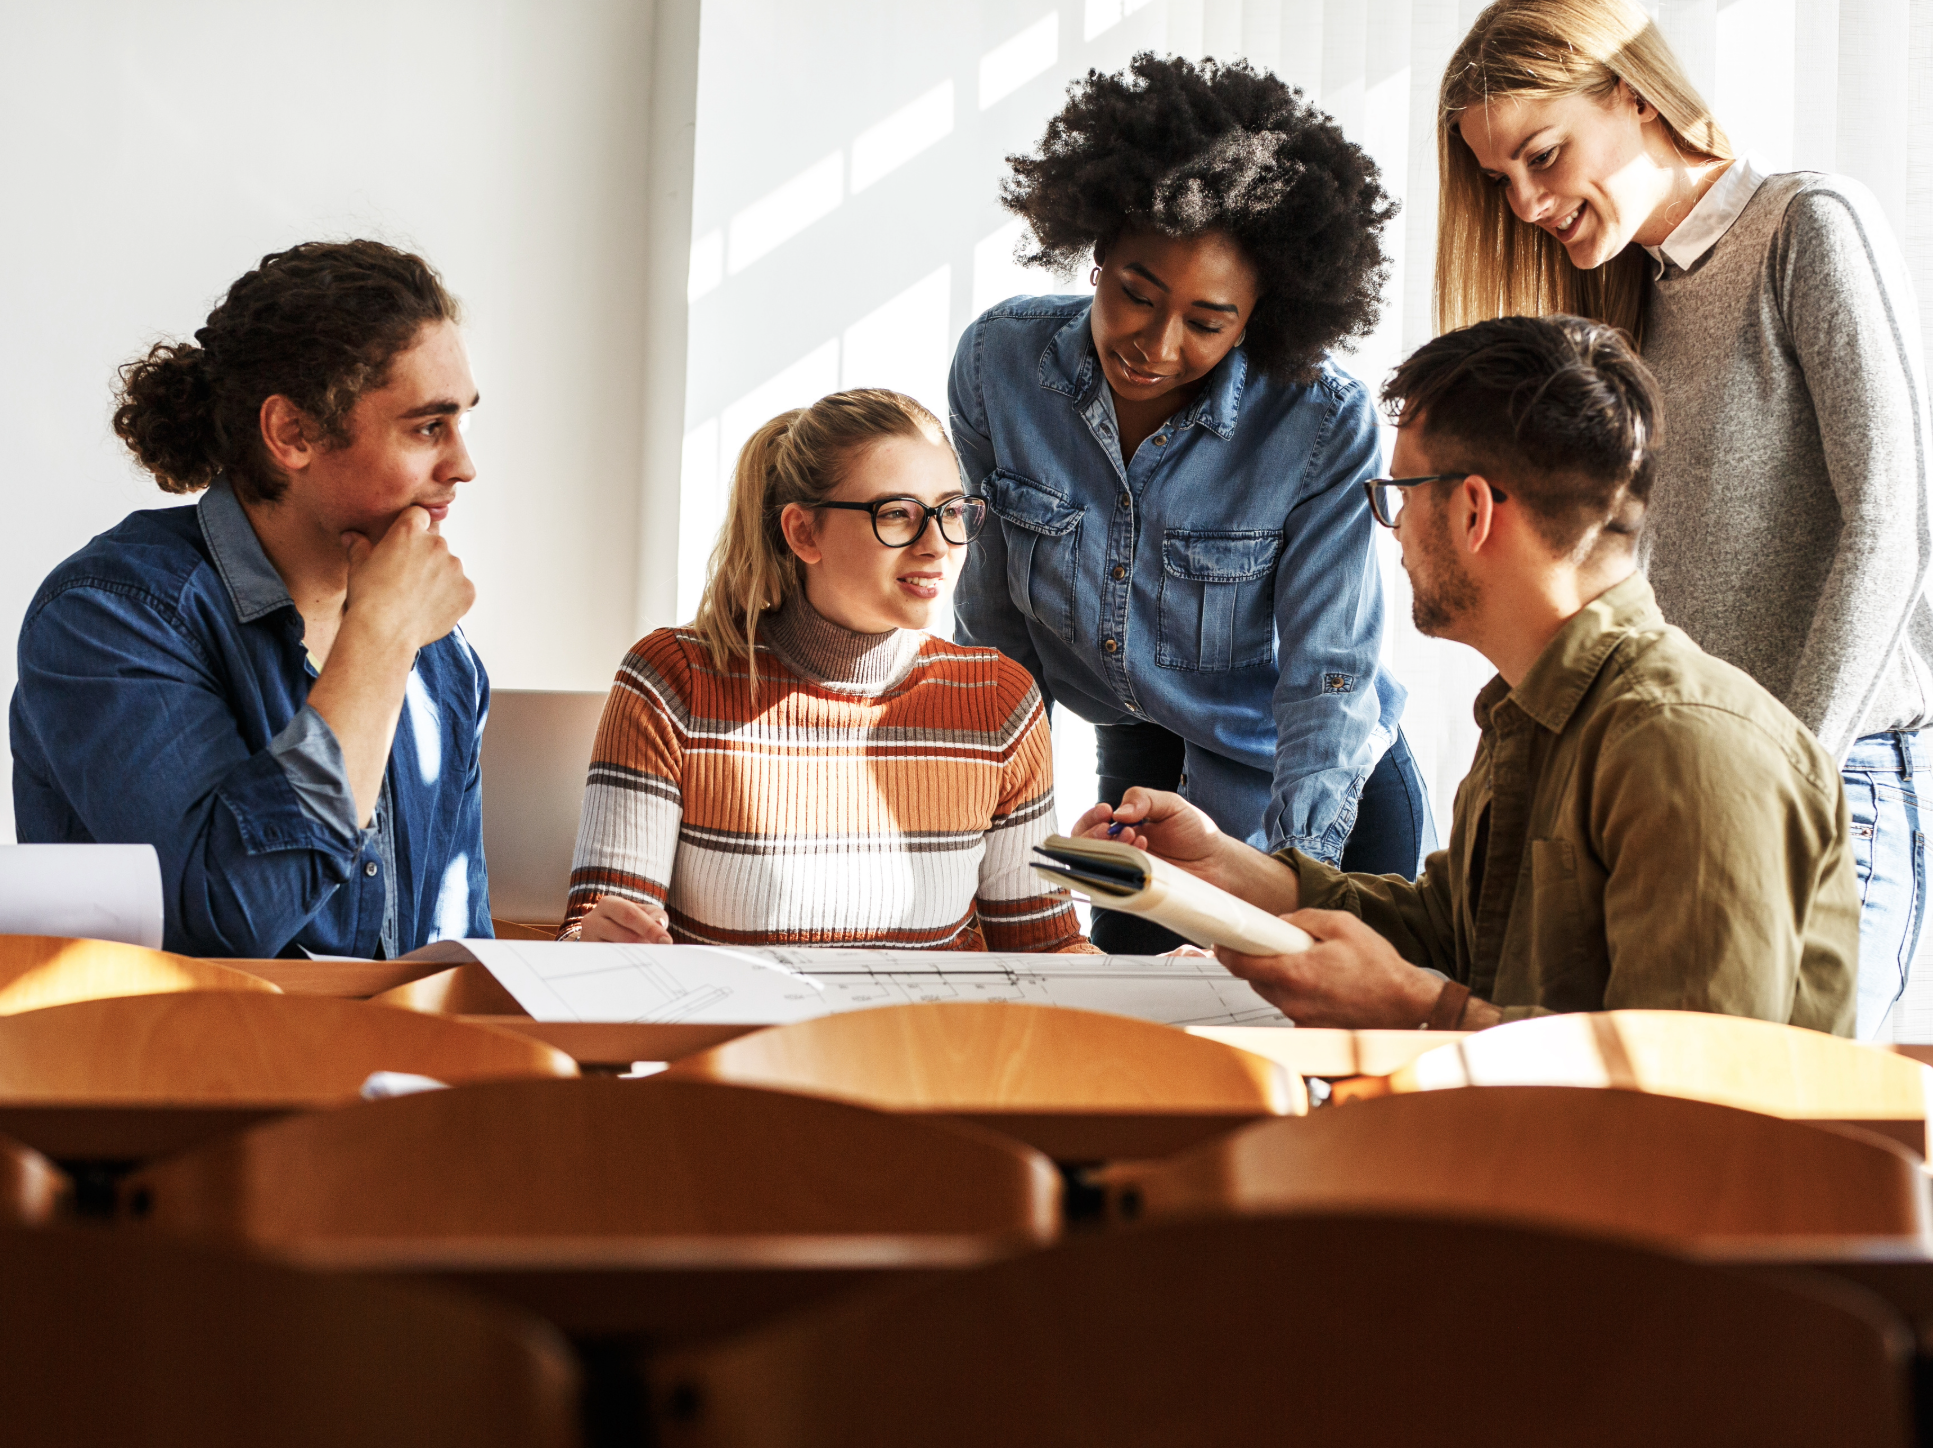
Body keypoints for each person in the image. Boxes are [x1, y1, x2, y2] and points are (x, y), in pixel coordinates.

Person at [1080, 316, 1858, 1036]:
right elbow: (1451, 931)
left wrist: (1415, 1008)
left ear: (1474, 511)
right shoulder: (1532, 711)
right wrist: (1225, 870)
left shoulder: (1687, 748)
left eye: (1397, 496)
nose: (1393, 534)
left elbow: (1685, 1093)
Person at [1435, 0, 1933, 1037]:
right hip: (1684, 797)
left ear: (1632, 93)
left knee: (1775, 1155)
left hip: (1826, 784)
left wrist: (1780, 778)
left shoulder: (1805, 227)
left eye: (1541, 156)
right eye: (1500, 181)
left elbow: (1889, 529)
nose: (1524, 204)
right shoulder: (1625, 306)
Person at [951, 52, 1432, 955]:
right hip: (1145, 765)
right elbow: (994, 641)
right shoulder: (997, 367)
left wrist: (1294, 881)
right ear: (1097, 255)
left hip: (1320, 790)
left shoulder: (1321, 426)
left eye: (1208, 323)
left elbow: (1329, 676)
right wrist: (993, 858)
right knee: (1137, 1064)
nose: (1156, 344)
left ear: (1260, 319)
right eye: (1136, 294)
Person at [12, 241, 488, 959]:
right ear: (291, 433)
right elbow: (226, 919)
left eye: (463, 423)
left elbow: (454, 953)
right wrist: (380, 642)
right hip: (185, 1066)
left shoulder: (443, 662)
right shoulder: (107, 615)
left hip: (390, 1068)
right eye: (428, 427)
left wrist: (571, 960)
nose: (464, 466)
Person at [560, 388, 1087, 952]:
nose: (936, 545)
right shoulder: (672, 679)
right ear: (803, 533)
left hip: (934, 1042)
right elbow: (594, 939)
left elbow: (1043, 951)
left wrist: (1175, 977)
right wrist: (597, 943)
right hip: (737, 1041)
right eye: (897, 514)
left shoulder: (998, 700)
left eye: (951, 511)